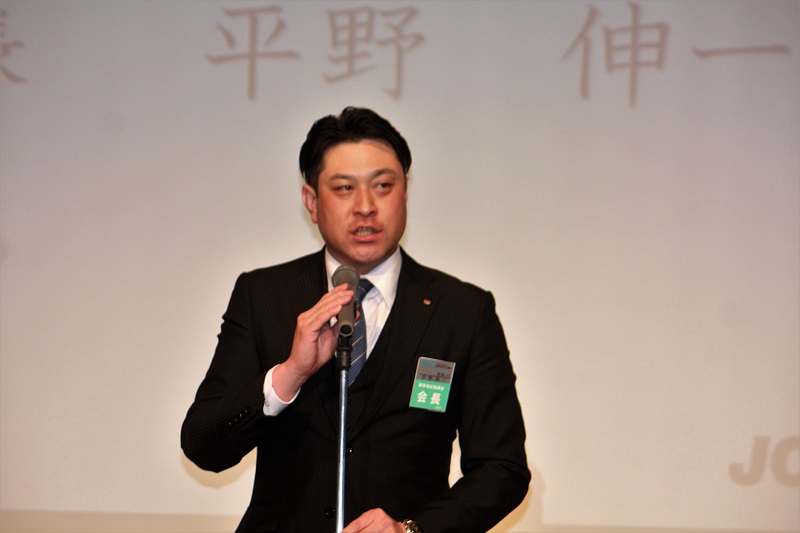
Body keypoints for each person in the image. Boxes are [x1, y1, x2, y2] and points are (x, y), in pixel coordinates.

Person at [181, 107, 530, 533]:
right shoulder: (264, 295)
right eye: (344, 188)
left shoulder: (463, 310)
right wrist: (289, 375)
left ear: (405, 192)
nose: (366, 207)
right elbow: (204, 446)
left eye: (383, 186)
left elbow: (502, 468)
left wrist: (412, 530)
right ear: (312, 202)